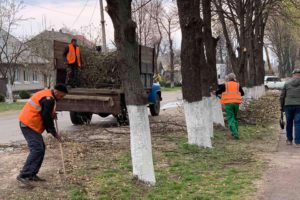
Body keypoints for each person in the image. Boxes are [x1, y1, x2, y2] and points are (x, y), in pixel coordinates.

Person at [17, 84, 68, 186]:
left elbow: (45, 112)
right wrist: (54, 133)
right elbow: (46, 119)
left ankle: (32, 174)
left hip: (31, 124)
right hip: (28, 124)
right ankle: (24, 175)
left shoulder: (50, 96)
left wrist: (51, 114)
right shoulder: (48, 99)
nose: (61, 98)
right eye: (61, 96)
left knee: (41, 148)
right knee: (37, 149)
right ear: (56, 92)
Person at [216, 73, 244, 139]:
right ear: (234, 78)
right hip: (236, 104)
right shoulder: (238, 85)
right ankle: (236, 132)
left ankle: (235, 133)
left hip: (228, 104)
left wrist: (219, 94)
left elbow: (218, 92)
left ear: (228, 78)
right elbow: (242, 93)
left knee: (230, 118)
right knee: (234, 118)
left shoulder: (225, 85)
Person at [280, 68, 300, 146]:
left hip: (288, 105)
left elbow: (282, 96)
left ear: (293, 75)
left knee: (289, 122)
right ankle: (298, 142)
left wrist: (282, 107)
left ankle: (289, 140)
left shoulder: (287, 83)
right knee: (298, 123)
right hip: (299, 106)